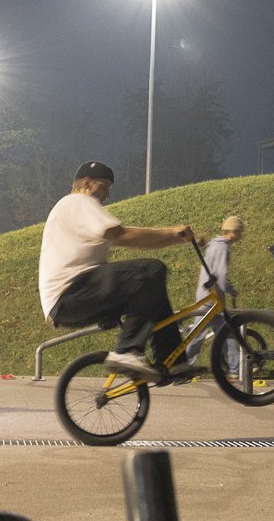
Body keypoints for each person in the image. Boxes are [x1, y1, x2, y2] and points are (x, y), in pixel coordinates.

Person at [39, 161, 195, 381]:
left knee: (154, 295)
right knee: (152, 269)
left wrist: (176, 238)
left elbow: (140, 242)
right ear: (86, 183)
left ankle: (174, 363)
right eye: (103, 187)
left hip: (74, 298)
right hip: (72, 294)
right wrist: (172, 233)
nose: (107, 194)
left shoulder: (71, 209)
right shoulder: (78, 202)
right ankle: (126, 351)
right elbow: (121, 236)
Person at [183, 215, 245, 369]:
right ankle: (183, 365)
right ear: (233, 231)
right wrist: (229, 290)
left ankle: (235, 367)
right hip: (210, 298)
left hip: (210, 296)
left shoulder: (215, 244)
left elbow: (216, 273)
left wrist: (228, 289)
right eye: (240, 231)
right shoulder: (222, 247)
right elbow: (221, 274)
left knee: (225, 333)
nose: (241, 235)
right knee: (198, 335)